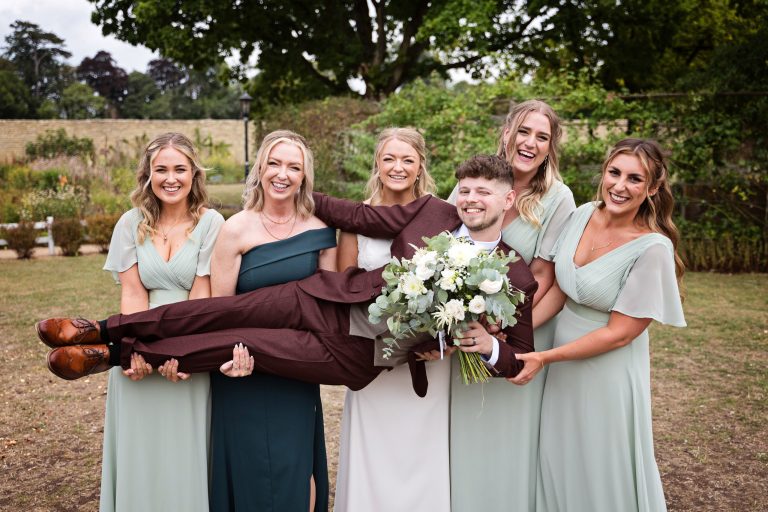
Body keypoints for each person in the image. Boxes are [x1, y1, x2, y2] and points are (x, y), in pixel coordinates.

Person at [38, 155, 538, 399]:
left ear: (506, 199)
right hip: (324, 299)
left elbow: (517, 359)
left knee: (237, 342)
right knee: (219, 310)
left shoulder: (516, 276)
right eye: (465, 191)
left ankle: (112, 357)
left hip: (357, 351)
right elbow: (360, 218)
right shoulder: (432, 213)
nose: (471, 201)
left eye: (483, 194)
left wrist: (484, 345)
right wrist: (290, 183)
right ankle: (101, 329)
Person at [513, 138, 686, 511]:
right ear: (604, 172)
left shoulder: (652, 248)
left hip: (606, 370)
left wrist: (545, 357)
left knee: (600, 461)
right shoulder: (583, 213)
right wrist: (517, 336)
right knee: (558, 456)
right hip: (562, 364)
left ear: (652, 188)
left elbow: (619, 334)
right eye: (614, 173)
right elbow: (562, 288)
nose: (620, 186)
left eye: (635, 179)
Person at [447, 99, 575, 511]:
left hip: (522, 331)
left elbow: (546, 280)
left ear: (550, 147)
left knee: (509, 439)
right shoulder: (473, 180)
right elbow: (450, 251)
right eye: (524, 131)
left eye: (543, 137)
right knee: (465, 433)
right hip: (469, 334)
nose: (531, 143)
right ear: (507, 134)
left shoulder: (558, 198)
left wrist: (508, 338)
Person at [207, 130, 335, 511]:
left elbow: (328, 309)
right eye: (275, 164)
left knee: (299, 467)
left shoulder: (321, 230)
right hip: (242, 368)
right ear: (260, 168)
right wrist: (232, 360)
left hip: (296, 366)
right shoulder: (235, 229)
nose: (282, 174)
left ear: (304, 176)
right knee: (248, 469)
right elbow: (220, 310)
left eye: (293, 167)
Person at [97, 132, 224, 512]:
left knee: (184, 456)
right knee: (141, 454)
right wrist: (133, 353)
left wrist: (182, 356)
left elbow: (202, 297)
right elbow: (133, 295)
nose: (171, 178)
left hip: (188, 352)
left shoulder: (211, 223)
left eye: (180, 169)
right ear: (148, 175)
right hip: (137, 354)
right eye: (161, 169)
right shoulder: (130, 223)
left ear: (194, 174)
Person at [333, 128, 450, 512]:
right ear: (377, 164)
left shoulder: (442, 213)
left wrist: (435, 341)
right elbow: (345, 287)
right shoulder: (354, 218)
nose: (397, 168)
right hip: (371, 354)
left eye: (407, 160)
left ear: (420, 167)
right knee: (375, 449)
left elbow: (454, 288)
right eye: (389, 159)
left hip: (426, 360)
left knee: (420, 449)